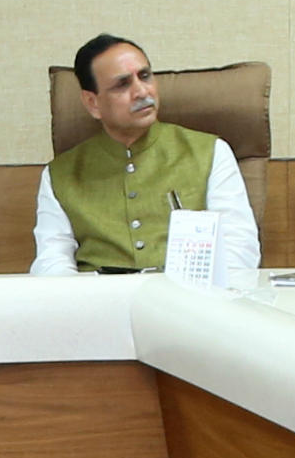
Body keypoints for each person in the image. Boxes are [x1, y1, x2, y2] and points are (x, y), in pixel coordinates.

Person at [28, 34, 259, 282]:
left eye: (145, 76)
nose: (141, 91)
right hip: (99, 306)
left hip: (189, 305)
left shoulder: (211, 152)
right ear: (92, 102)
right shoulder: (60, 175)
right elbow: (53, 261)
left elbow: (237, 250)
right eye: (122, 84)